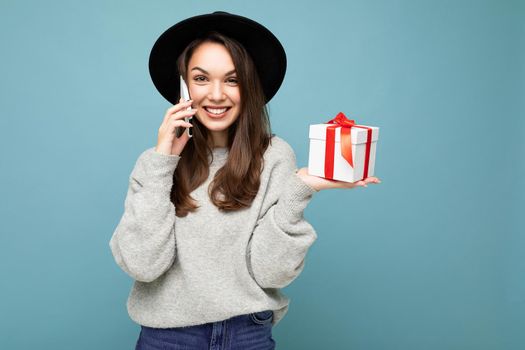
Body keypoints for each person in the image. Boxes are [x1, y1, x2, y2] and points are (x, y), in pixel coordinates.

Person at [109, 11, 380, 350]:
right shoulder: (155, 164)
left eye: (233, 80)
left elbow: (272, 273)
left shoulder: (275, 156)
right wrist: (163, 161)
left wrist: (301, 188)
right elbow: (142, 264)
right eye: (201, 78)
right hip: (168, 338)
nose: (217, 95)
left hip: (247, 334)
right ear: (183, 85)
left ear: (249, 87)